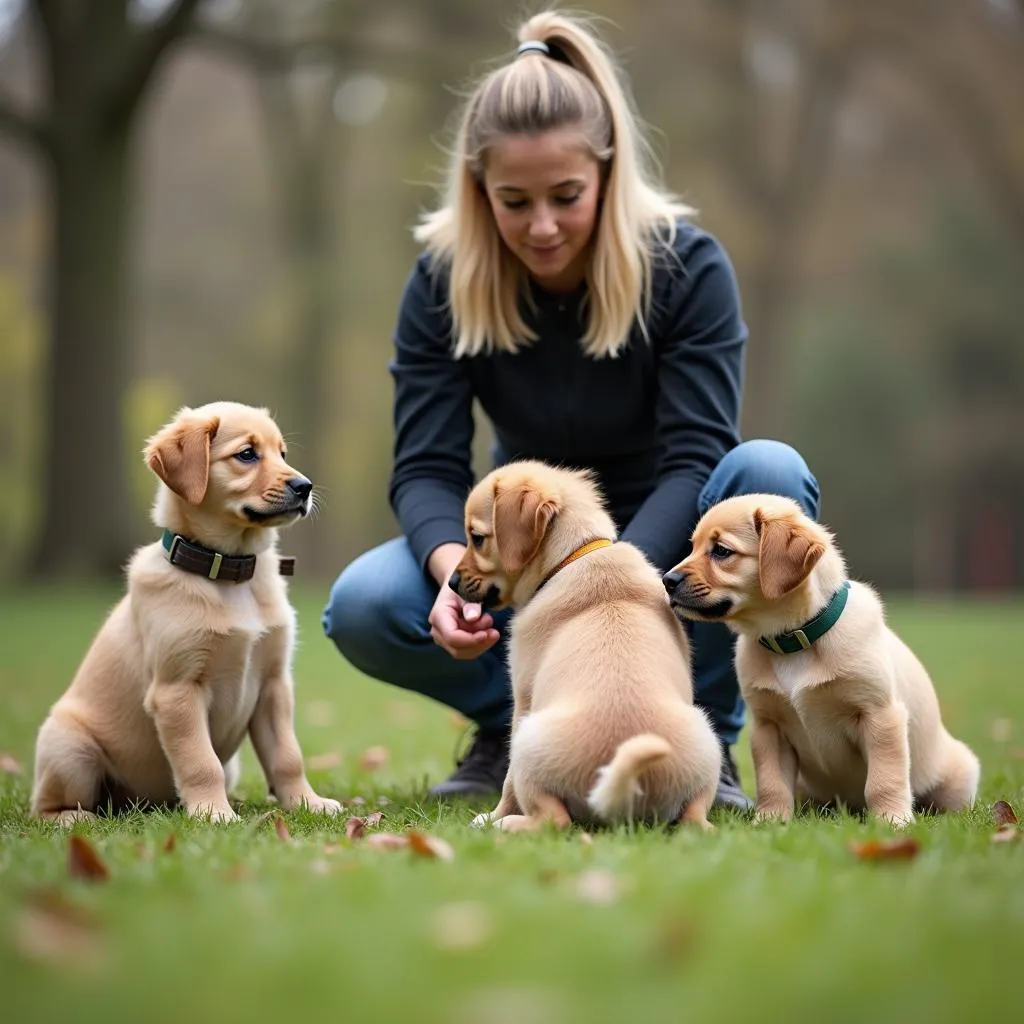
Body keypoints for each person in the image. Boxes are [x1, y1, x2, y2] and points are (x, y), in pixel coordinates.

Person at [322, 9, 819, 811]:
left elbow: (699, 455)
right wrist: (461, 571)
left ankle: (702, 737)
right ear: (479, 189)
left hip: (670, 534)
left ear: (607, 172)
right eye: (514, 201)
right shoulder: (442, 283)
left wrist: (614, 573)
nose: (542, 226)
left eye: (566, 196)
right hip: (525, 541)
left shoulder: (687, 268)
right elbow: (426, 467)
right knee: (367, 604)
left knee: (767, 472)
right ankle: (518, 732)